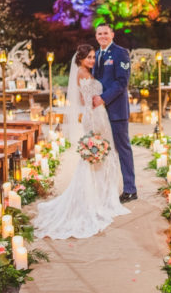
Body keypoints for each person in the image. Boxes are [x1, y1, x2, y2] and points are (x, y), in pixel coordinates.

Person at [33, 44, 130, 239]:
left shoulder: (85, 72)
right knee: (99, 155)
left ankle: (101, 194)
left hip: (95, 114)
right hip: (95, 117)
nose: (92, 60)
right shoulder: (82, 73)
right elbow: (88, 99)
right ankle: (96, 197)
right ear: (80, 59)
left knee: (103, 156)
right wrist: (95, 118)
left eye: (94, 57)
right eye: (89, 58)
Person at [92, 23, 137, 203]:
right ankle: (106, 187)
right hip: (100, 112)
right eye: (99, 33)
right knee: (103, 150)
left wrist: (103, 98)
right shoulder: (96, 55)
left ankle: (130, 189)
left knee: (122, 149)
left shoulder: (120, 53)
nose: (103, 36)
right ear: (96, 36)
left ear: (112, 34)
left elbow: (121, 82)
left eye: (105, 33)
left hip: (116, 110)